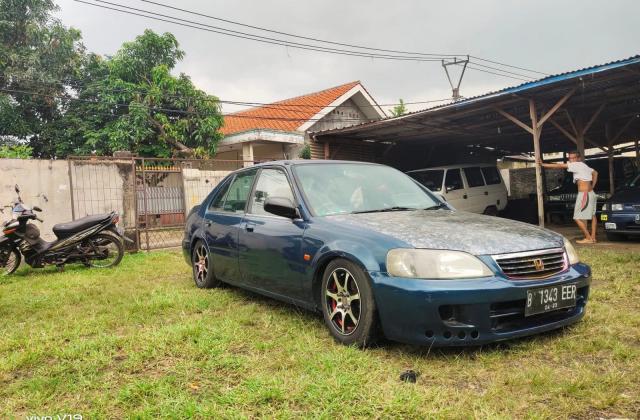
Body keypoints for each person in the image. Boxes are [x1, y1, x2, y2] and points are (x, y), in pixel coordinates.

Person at [539, 151, 599, 244]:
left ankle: (588, 238)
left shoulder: (576, 165)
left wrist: (543, 164)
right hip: (591, 193)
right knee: (593, 216)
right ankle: (593, 238)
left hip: (584, 195)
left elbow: (559, 166)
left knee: (576, 217)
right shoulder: (584, 166)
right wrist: (593, 186)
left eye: (573, 158)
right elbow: (595, 173)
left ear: (578, 158)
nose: (571, 160)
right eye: (570, 158)